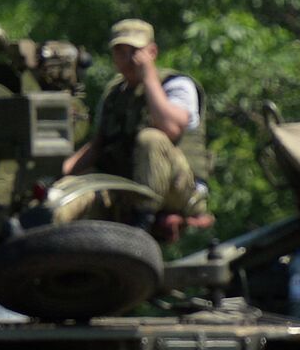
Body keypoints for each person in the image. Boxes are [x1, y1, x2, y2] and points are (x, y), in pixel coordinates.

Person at [59, 18, 213, 238]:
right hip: (127, 185)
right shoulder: (114, 95)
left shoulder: (176, 85)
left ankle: (141, 224)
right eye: (120, 51)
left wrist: (149, 78)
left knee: (151, 138)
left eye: (135, 50)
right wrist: (60, 176)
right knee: (68, 196)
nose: (128, 58)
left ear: (152, 51)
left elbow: (170, 128)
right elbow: (98, 146)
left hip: (178, 189)